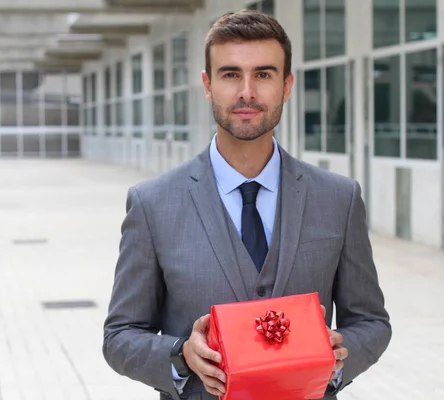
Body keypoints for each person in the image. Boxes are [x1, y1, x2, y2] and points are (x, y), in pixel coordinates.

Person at [102, 9, 391, 400]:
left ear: (287, 86)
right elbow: (120, 336)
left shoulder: (338, 198)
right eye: (230, 74)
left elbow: (371, 321)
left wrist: (338, 356)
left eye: (264, 74)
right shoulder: (153, 203)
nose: (247, 92)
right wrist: (181, 354)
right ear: (207, 85)